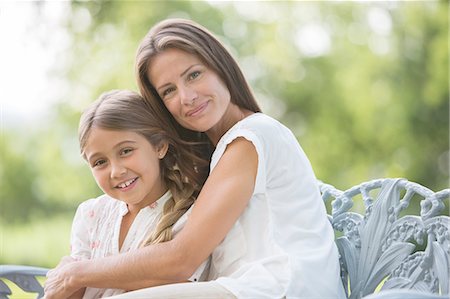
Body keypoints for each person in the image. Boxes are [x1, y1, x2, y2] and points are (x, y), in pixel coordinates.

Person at [44, 19, 345, 299]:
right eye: (169, 91)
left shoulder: (252, 136)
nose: (186, 97)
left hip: (285, 288)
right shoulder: (220, 153)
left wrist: (75, 273)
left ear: (220, 67)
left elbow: (181, 259)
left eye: (194, 75)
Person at [55, 89, 210, 298]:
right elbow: (66, 291)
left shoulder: (191, 215)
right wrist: (66, 276)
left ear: (160, 146)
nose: (116, 171)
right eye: (100, 162)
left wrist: (75, 273)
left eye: (126, 151)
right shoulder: (91, 214)